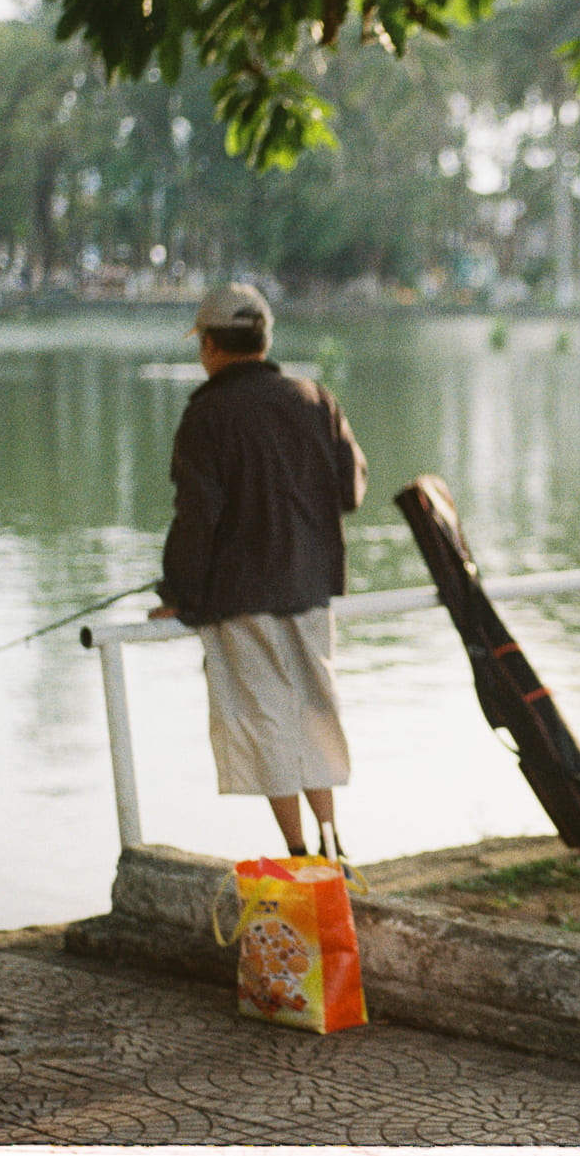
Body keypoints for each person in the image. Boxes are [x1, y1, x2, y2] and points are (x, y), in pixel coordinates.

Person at [151, 282, 369, 858]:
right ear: (264, 338)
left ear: (210, 345)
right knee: (314, 708)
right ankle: (332, 842)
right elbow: (350, 491)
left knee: (265, 717)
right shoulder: (314, 399)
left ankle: (299, 853)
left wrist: (178, 592)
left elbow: (196, 516)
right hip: (310, 585)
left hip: (242, 596)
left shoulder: (207, 416)